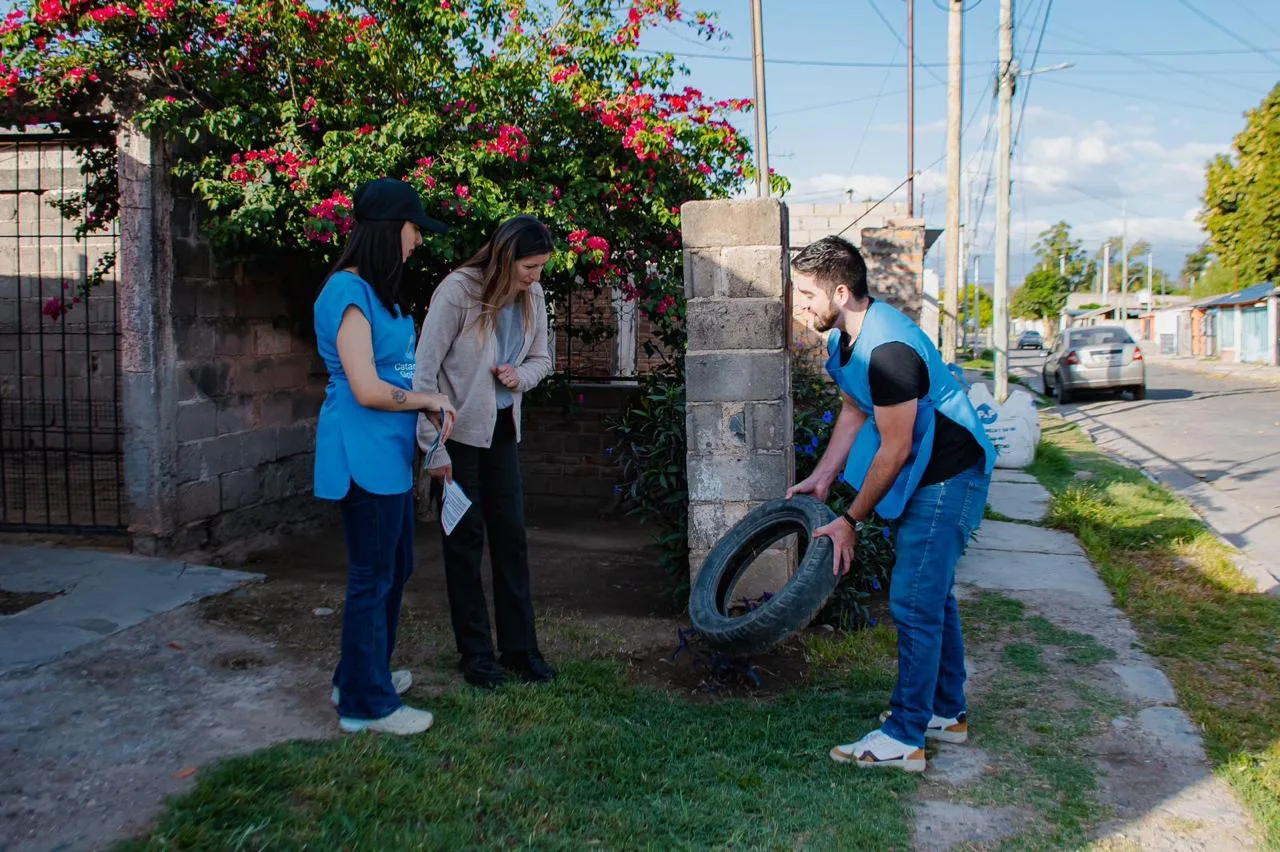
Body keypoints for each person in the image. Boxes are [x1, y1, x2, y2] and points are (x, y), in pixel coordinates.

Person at [787, 235, 996, 772]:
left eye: (807, 294)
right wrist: (822, 477)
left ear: (840, 290)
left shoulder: (889, 351)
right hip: (927, 471)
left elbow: (897, 445)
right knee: (933, 595)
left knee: (913, 601)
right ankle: (946, 712)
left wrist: (850, 519)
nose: (800, 305)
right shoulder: (846, 341)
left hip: (949, 474)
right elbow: (856, 409)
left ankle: (905, 737)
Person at [313, 177, 456, 736]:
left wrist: (422, 410)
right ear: (387, 229)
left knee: (394, 568)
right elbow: (367, 388)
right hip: (360, 453)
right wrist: (429, 400)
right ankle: (365, 705)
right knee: (372, 576)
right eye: (414, 228)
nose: (417, 240)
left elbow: (392, 377)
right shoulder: (345, 294)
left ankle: (360, 673)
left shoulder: (379, 295)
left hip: (388, 455)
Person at [415, 214, 557, 689]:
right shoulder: (458, 290)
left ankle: (521, 650)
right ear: (505, 256)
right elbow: (424, 374)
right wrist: (432, 449)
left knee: (511, 540)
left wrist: (523, 377)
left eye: (540, 267)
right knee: (464, 544)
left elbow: (542, 359)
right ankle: (476, 656)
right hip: (457, 437)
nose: (535, 277)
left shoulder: (532, 297)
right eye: (530, 267)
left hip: (502, 434)